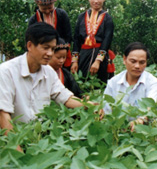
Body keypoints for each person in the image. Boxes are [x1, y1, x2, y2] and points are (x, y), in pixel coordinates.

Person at [0, 23, 97, 152]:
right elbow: (3, 114)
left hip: (40, 140)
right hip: (13, 139)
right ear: (29, 45)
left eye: (52, 48)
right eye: (45, 48)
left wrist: (91, 105)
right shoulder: (6, 71)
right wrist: (17, 151)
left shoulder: (48, 72)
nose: (50, 53)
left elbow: (65, 97)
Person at [71, 0, 114, 83]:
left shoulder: (107, 18)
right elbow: (77, 39)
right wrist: (74, 61)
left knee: (99, 83)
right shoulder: (81, 17)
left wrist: (98, 61)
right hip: (83, 55)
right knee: (82, 82)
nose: (96, 1)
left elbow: (107, 39)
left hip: (100, 54)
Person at [29, 0, 73, 68]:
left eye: (50, 8)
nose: (47, 11)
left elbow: (68, 35)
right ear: (38, 6)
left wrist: (60, 51)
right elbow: (31, 38)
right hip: (42, 54)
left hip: (60, 53)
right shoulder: (34, 20)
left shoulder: (62, 15)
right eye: (44, 9)